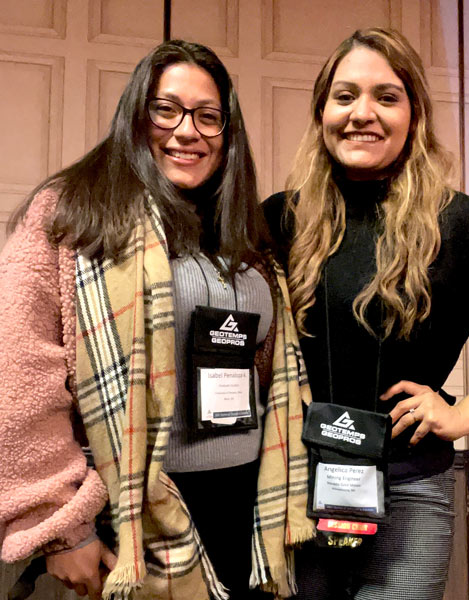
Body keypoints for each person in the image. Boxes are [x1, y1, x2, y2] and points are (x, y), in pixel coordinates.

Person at [0, 40, 314, 600]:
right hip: (123, 519)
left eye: (208, 116)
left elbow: (261, 369)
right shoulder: (72, 213)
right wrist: (59, 524)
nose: (187, 131)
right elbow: (18, 374)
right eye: (165, 109)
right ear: (135, 116)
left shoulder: (243, 234)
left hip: (243, 508)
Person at [263, 27, 469, 600]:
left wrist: (462, 414)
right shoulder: (277, 221)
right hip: (292, 488)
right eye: (345, 95)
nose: (363, 114)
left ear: (414, 114)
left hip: (410, 492)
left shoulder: (465, 227)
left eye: (386, 96)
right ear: (322, 111)